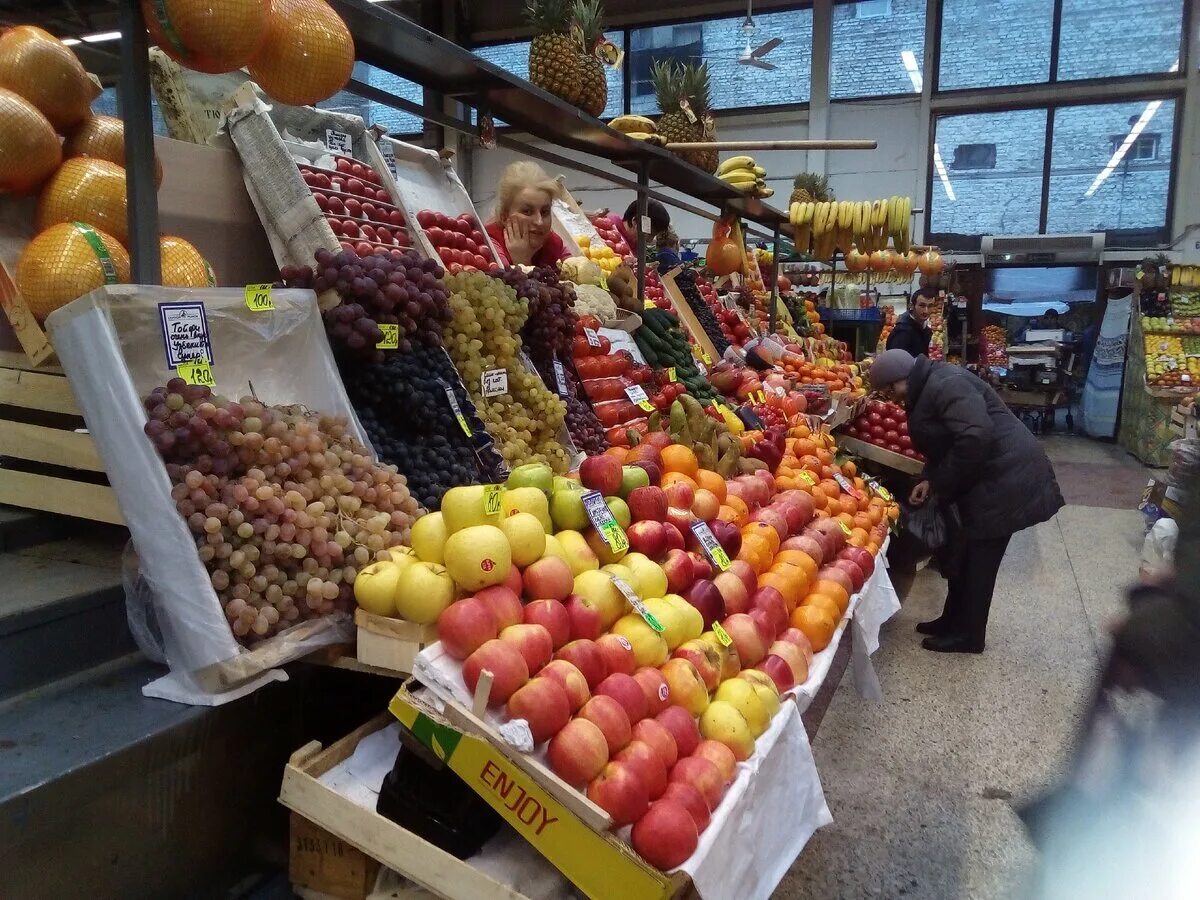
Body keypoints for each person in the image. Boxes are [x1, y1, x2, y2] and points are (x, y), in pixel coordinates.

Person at [869, 348, 1065, 653]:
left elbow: (975, 436)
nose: (889, 396)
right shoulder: (929, 385)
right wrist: (929, 476)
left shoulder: (946, 385)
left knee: (980, 559)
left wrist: (939, 481)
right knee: (964, 551)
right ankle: (953, 620)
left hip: (1006, 477)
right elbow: (949, 441)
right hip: (990, 474)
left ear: (902, 378)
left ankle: (970, 635)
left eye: (889, 388)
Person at [486, 161, 571, 268]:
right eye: (527, 211)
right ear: (504, 216)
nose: (539, 222)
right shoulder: (488, 245)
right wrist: (522, 261)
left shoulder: (554, 244)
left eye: (544, 212)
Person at [886, 288, 936, 357]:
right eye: (922, 305)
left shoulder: (926, 330)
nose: (926, 311)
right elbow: (897, 362)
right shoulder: (902, 332)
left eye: (930, 306)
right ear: (912, 306)